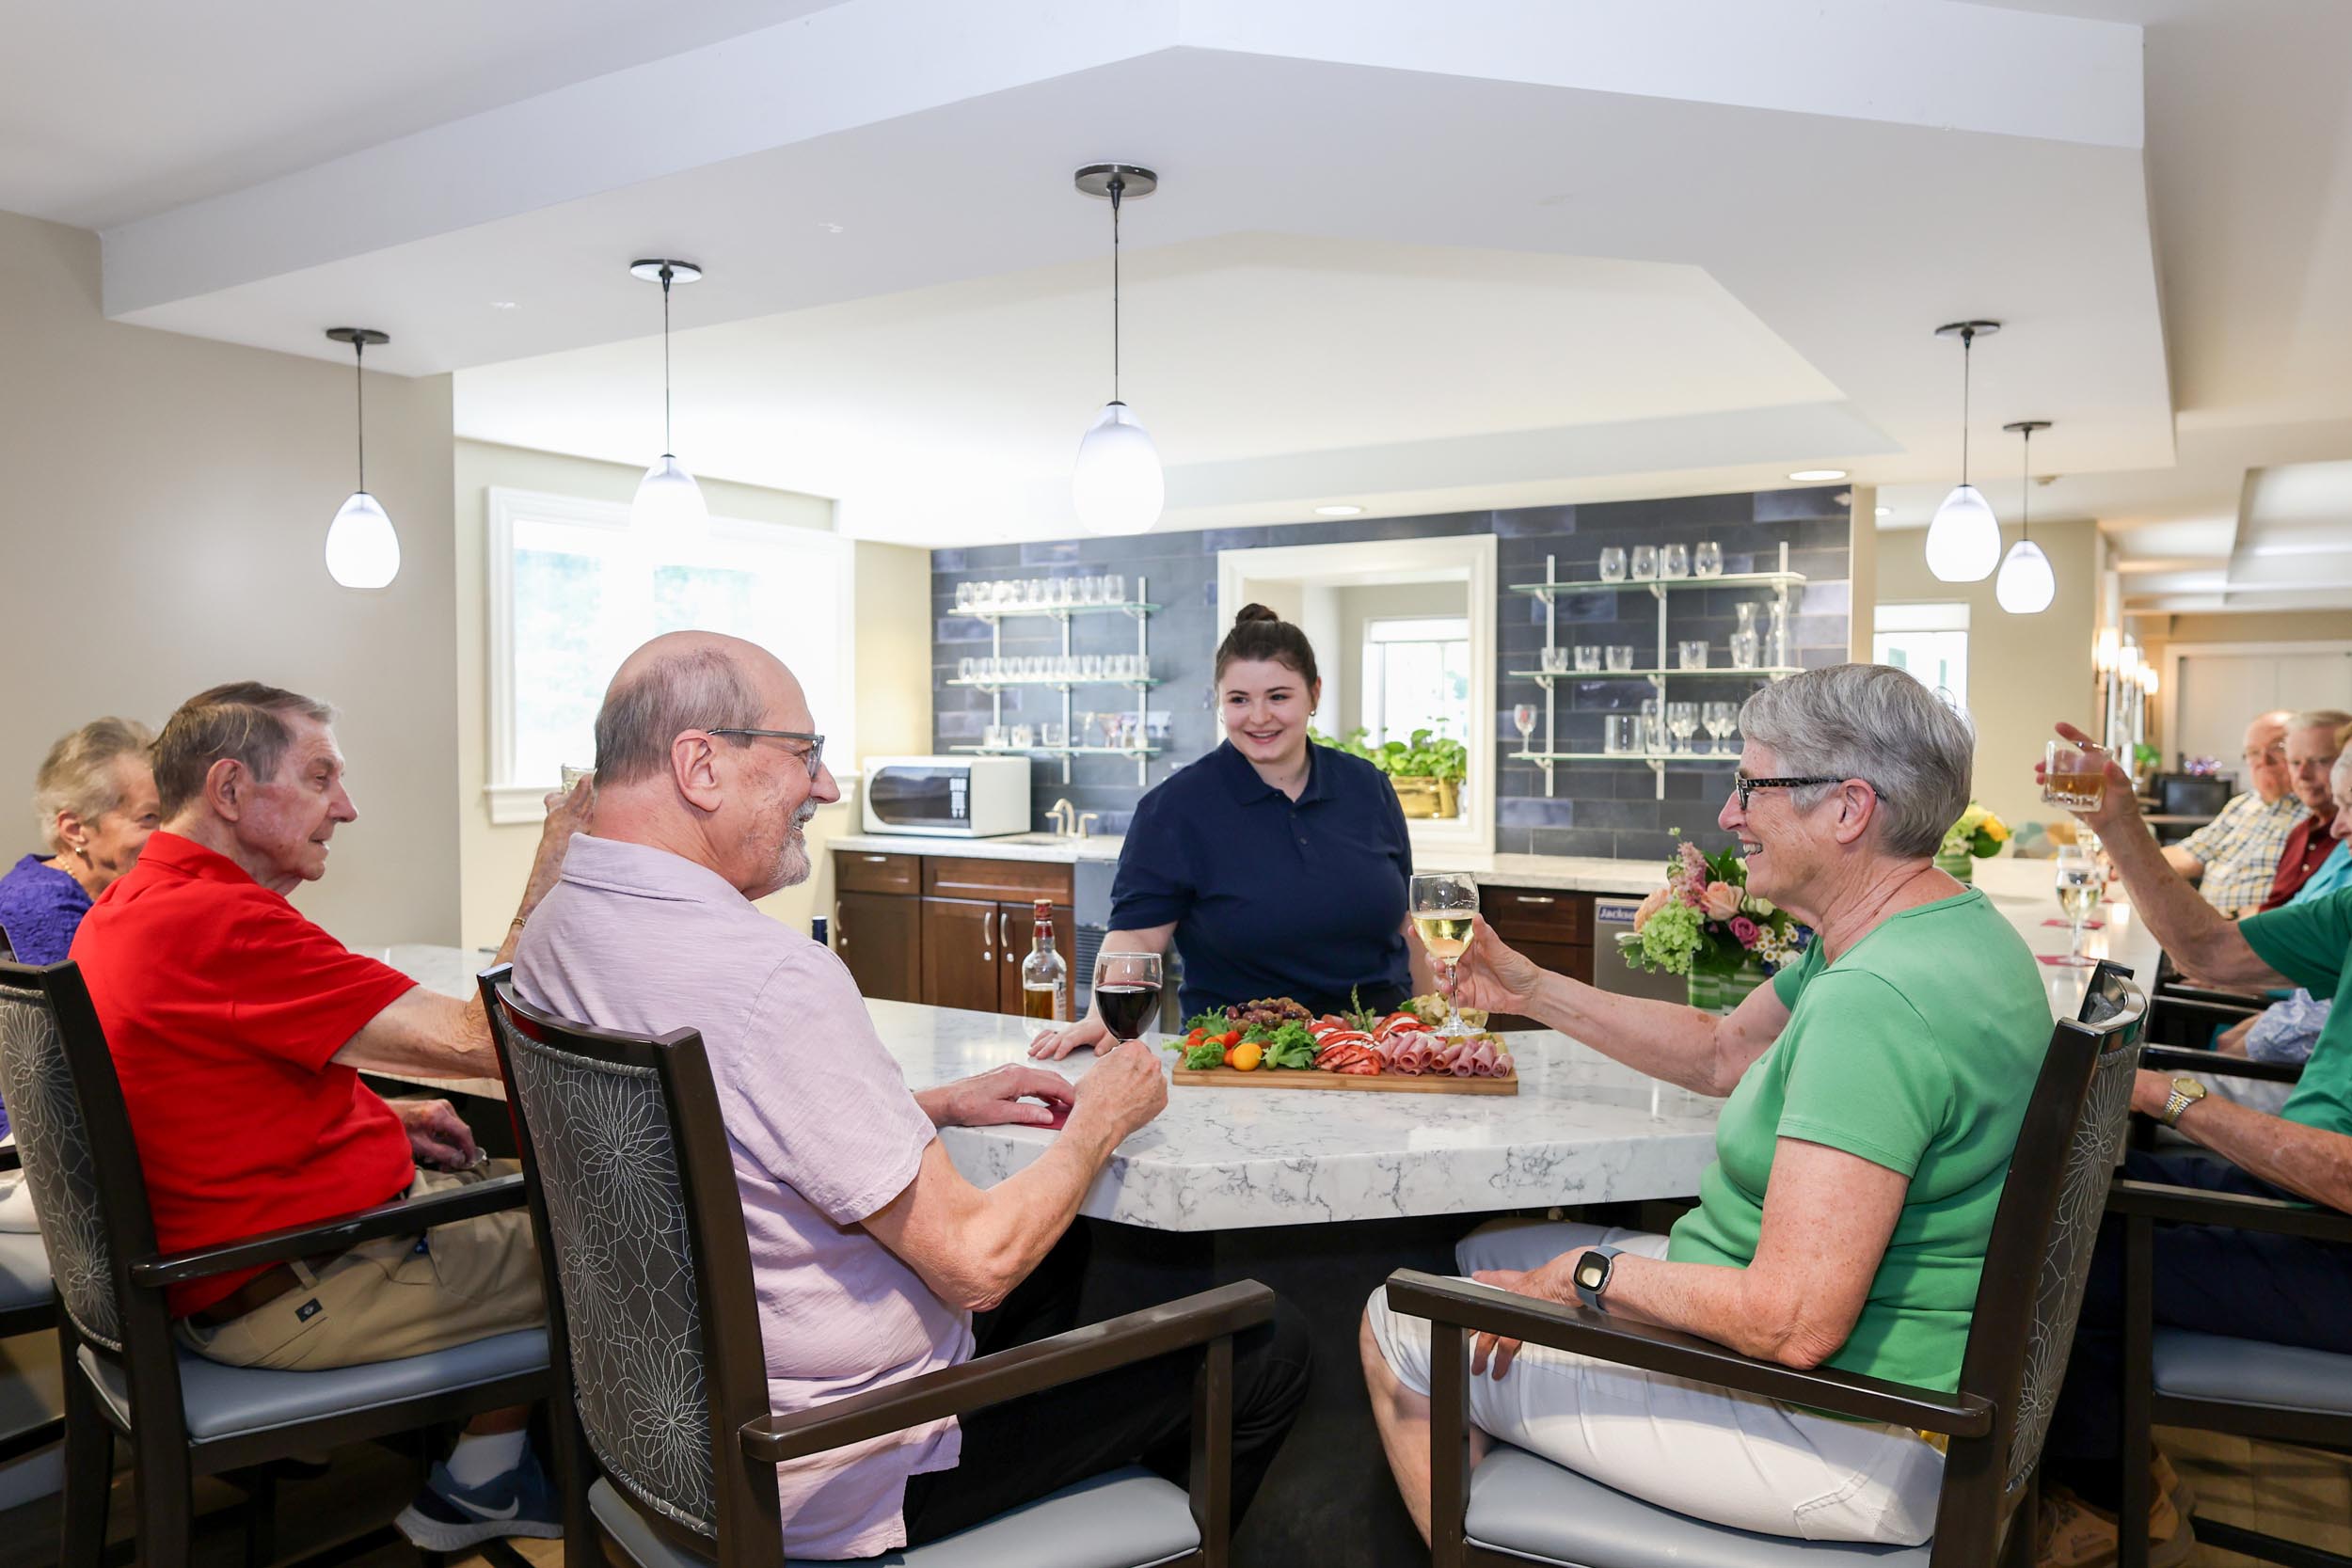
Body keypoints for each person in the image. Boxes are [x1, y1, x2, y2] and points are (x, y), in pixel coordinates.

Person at [513, 632, 1308, 1561]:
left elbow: (695, 1123)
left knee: (1085, 1254)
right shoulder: (775, 977)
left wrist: (925, 1105)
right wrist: (1099, 1120)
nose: (825, 788)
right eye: (802, 754)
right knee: (1264, 1341)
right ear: (700, 763)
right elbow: (976, 1262)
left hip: (658, 1430)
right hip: (841, 1460)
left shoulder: (558, 927)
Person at [1361, 663, 2051, 1548]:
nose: (1729, 816)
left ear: (1848, 808)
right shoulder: (1939, 929)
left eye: (1750, 785)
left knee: (1399, 1316)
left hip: (1842, 1429)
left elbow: (1791, 1321)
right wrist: (1529, 989)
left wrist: (1586, 1275)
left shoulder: (1876, 996)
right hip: (1907, 1385)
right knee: (1486, 1251)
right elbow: (1725, 1049)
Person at [69, 682, 588, 1552]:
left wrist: (383, 1117)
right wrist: (554, 867)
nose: (345, 807)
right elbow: (484, 1041)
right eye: (320, 778)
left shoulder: (128, 906)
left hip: (225, 1269)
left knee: (523, 1185)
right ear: (230, 790)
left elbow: (209, 1088)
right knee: (628, 1232)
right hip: (300, 1285)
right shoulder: (226, 923)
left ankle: (486, 1472)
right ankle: (539, 1489)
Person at [2035, 717, 2352, 1567]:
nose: (2338, 832)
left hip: (2334, 1241)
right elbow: (2208, 949)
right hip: (2296, 1194)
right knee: (2081, 1204)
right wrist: (2117, 820)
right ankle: (2127, 1476)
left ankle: (2106, 1511)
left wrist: (2169, 1094)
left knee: (2064, 1258)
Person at [1031, 603, 1432, 1059]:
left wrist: (1430, 1025)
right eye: (1239, 699)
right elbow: (1138, 937)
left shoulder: (1367, 787)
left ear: (1314, 694)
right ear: (1220, 702)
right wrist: (1101, 1015)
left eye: (1279, 696)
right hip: (1239, 1059)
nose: (1259, 717)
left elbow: (1407, 924)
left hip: (1378, 1051)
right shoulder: (1175, 808)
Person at [0, 718, 160, 966]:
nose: (170, 833)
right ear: (75, 829)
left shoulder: (112, 892)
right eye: (149, 817)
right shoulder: (42, 909)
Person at [2162, 709, 2300, 916]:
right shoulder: (2243, 805)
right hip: (2204, 928)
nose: (2263, 759)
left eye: (2278, 747)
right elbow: (2188, 855)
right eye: (2253, 752)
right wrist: (2123, 859)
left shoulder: (2317, 816)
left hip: (2253, 935)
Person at [2257, 708, 2350, 911]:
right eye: (2295, 763)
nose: (2303, 775)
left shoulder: (2346, 840)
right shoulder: (2299, 833)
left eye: (2320, 761)